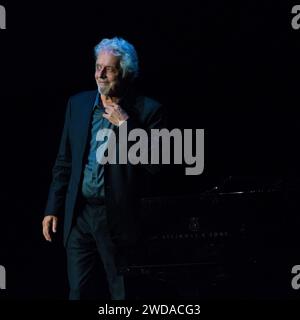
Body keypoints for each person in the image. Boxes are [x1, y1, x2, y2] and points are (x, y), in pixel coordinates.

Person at [42, 37, 165, 300]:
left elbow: (156, 165)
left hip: (119, 218)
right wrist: (53, 207)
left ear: (125, 72)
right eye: (98, 67)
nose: (100, 74)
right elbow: (64, 161)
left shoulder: (149, 110)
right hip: (80, 215)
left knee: (122, 294)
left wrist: (126, 126)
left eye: (108, 69)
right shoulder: (78, 104)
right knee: (78, 292)